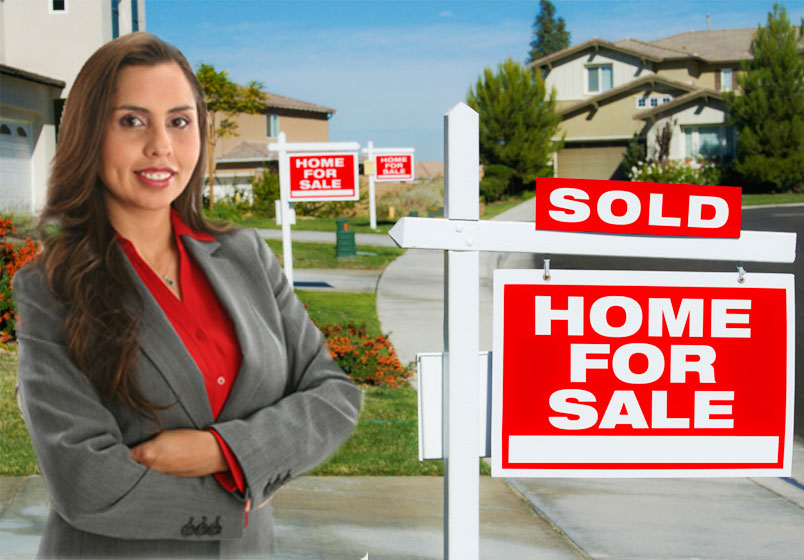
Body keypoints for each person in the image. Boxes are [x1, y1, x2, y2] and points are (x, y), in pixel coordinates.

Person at [13, 32, 361, 558]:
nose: (161, 146)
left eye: (179, 121)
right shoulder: (51, 286)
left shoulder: (246, 256)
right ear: (89, 133)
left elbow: (335, 396)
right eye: (131, 121)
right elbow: (83, 481)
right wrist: (237, 507)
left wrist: (224, 451)